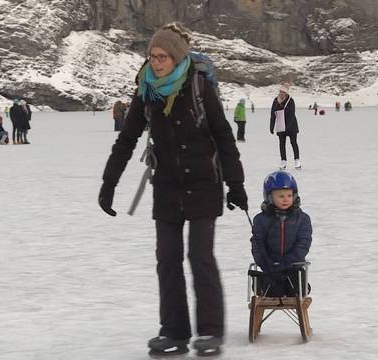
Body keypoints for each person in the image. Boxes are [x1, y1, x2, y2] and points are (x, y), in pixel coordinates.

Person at [98, 22, 247, 357]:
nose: (156, 62)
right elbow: (127, 139)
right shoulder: (147, 89)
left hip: (203, 184)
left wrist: (235, 184)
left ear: (176, 57)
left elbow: (223, 135)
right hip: (166, 186)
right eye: (152, 56)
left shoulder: (197, 86)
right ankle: (174, 332)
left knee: (200, 257)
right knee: (167, 259)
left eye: (163, 56)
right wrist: (109, 183)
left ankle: (210, 332)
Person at [250, 170, 312, 297]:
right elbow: (258, 245)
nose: (286, 199)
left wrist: (286, 262)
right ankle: (263, 284)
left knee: (296, 290)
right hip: (270, 268)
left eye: (289, 196)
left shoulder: (302, 219)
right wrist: (267, 262)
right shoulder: (261, 220)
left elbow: (303, 244)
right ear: (269, 197)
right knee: (270, 291)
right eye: (281, 196)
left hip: (293, 268)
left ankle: (296, 285)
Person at [270, 83, 301, 170]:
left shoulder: (291, 101)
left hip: (291, 126)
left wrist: (287, 127)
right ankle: (283, 161)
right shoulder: (276, 100)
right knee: (282, 144)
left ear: (286, 93)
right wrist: (271, 126)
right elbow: (273, 114)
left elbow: (292, 114)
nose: (281, 93)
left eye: (283, 92)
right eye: (280, 91)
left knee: (293, 143)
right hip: (280, 125)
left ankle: (297, 160)